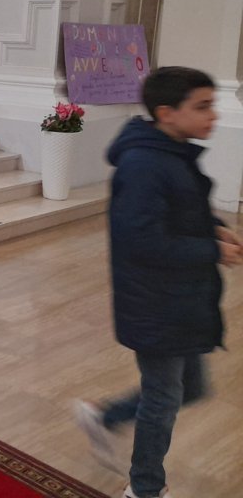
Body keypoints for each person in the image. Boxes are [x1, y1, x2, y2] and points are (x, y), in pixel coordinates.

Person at [74, 67, 242, 498]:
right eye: (202, 106)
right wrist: (211, 250)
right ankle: (144, 489)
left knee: (191, 388)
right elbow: (143, 242)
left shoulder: (171, 153)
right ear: (167, 113)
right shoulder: (143, 165)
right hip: (155, 302)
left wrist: (215, 230)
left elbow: (180, 213)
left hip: (181, 299)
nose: (213, 115)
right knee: (164, 396)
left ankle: (104, 416)